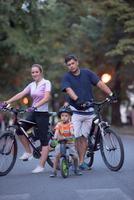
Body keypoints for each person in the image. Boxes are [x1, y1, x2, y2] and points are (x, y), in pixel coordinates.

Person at [61, 54, 117, 170]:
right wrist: (77, 100)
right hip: (75, 111)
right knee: (76, 137)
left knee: (84, 138)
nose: (71, 66)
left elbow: (100, 83)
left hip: (89, 111)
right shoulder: (66, 77)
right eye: (69, 65)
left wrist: (111, 94)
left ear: (77, 62)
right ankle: (73, 159)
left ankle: (81, 162)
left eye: (72, 63)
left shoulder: (87, 73)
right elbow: (68, 89)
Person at [3, 64, 51, 173]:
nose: (34, 74)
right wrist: (7, 102)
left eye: (36, 72)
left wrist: (35, 106)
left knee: (44, 141)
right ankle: (28, 152)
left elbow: (47, 97)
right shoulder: (31, 85)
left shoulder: (46, 83)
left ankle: (41, 166)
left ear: (41, 72)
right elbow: (21, 94)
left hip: (42, 114)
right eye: (32, 72)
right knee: (20, 130)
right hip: (33, 113)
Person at [50, 106, 82, 177]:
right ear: (60, 116)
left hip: (69, 141)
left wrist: (73, 133)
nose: (64, 117)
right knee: (57, 156)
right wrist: (55, 137)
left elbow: (71, 130)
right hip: (61, 141)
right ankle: (54, 171)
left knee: (75, 156)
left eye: (66, 116)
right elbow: (57, 131)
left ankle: (76, 168)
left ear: (70, 117)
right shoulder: (59, 124)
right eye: (62, 116)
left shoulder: (70, 124)